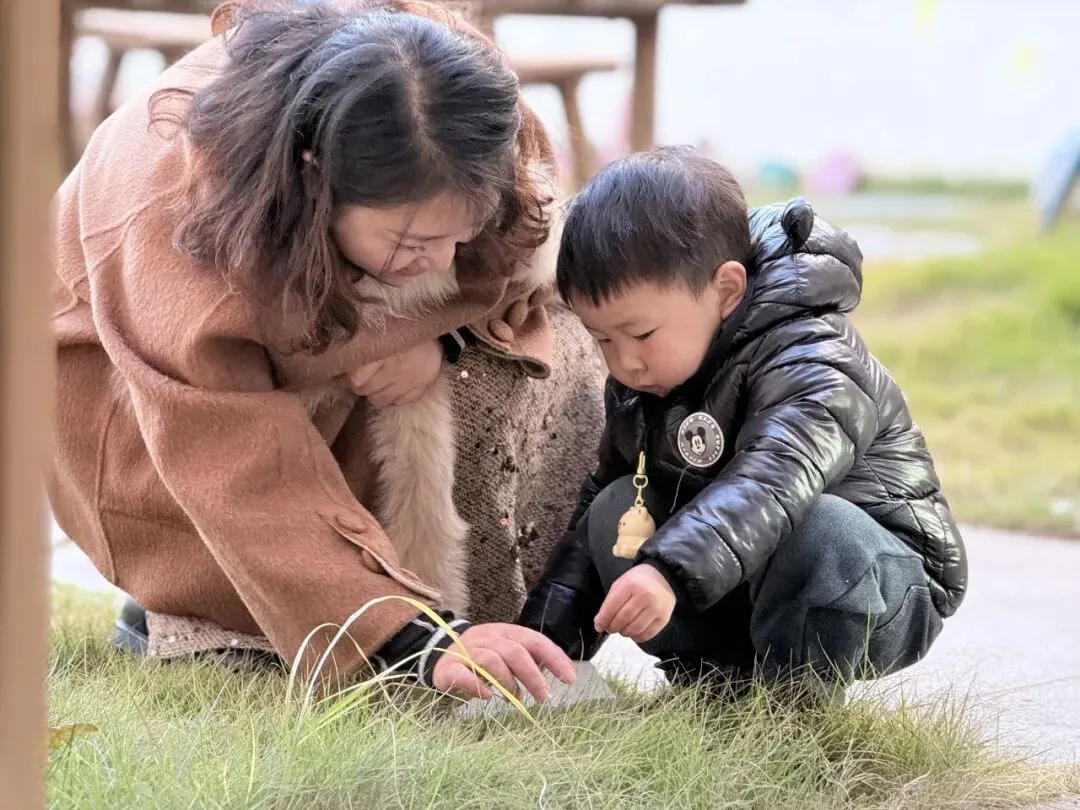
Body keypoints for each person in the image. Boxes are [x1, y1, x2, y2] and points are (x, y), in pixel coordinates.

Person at [50, 0, 610, 702]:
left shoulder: (466, 108)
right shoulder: (175, 206)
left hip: (350, 343)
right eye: (408, 243)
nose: (438, 259)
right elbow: (227, 454)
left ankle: (437, 605)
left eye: (458, 235)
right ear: (315, 176)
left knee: (565, 346)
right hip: (144, 411)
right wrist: (411, 639)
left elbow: (520, 264)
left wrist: (446, 341)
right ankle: (210, 610)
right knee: (310, 601)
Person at [518, 147, 968, 691]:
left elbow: (774, 478)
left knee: (818, 531)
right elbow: (598, 509)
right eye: (601, 339)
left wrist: (669, 571)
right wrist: (540, 644)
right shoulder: (643, 382)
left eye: (640, 334)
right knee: (616, 510)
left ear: (726, 290)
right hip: (736, 576)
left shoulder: (815, 357)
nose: (623, 361)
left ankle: (790, 702)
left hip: (880, 579)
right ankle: (715, 684)